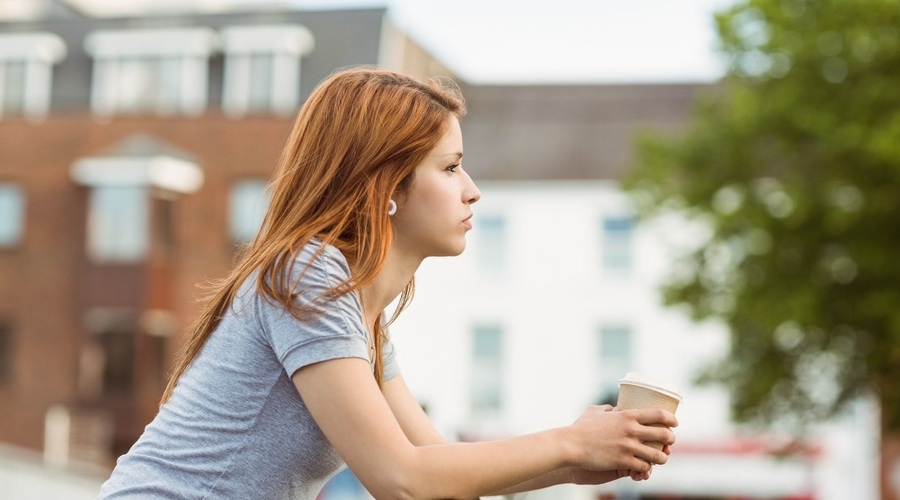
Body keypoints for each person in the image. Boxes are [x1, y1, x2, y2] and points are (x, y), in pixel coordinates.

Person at [98, 67, 677, 499]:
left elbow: (437, 464)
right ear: (387, 187)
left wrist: (576, 463)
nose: (472, 189)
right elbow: (400, 479)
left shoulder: (360, 318)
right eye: (450, 168)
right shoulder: (306, 275)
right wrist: (570, 443)